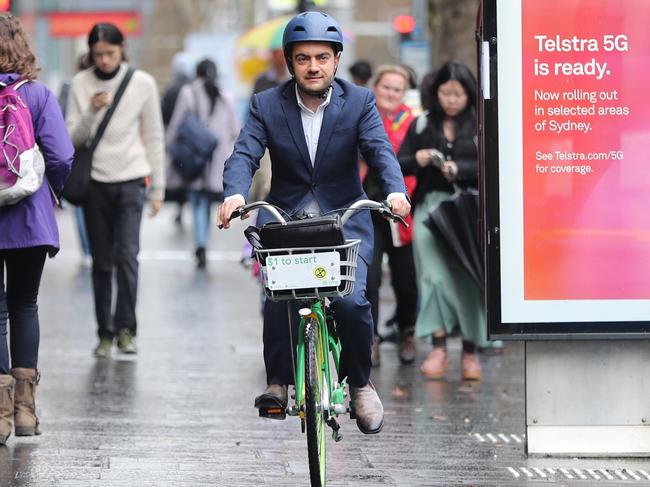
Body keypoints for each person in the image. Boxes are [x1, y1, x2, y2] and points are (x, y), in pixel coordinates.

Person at [218, 11, 410, 435]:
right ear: (290, 62)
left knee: (351, 301)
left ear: (337, 60)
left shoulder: (359, 101)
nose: (313, 66)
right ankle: (278, 383)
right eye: (303, 58)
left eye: (322, 57)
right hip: (288, 219)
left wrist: (395, 192)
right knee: (278, 297)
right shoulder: (267, 103)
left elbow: (380, 151)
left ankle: (360, 383)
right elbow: (245, 153)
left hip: (345, 219)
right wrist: (234, 194)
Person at [65, 23, 165, 358]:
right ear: (90, 54)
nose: (105, 60)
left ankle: (127, 329)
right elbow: (71, 139)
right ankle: (104, 333)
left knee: (127, 256)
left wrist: (158, 189)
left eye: (110, 53)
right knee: (102, 262)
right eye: (98, 55)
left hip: (132, 180)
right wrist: (92, 110)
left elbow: (153, 136)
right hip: (95, 183)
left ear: (123, 48)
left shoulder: (142, 83)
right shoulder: (80, 84)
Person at [0, 13, 74, 443]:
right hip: (30, 217)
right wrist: (51, 192)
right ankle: (26, 412)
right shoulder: (39, 96)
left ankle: (1, 415)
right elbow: (62, 156)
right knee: (25, 303)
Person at [397, 60, 486, 381]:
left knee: (468, 278)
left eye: (458, 93)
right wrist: (419, 159)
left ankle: (471, 352)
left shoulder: (481, 124)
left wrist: (458, 169)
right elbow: (398, 163)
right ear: (436, 93)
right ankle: (438, 347)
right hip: (429, 210)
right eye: (446, 93)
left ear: (469, 94)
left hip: (468, 211)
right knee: (432, 277)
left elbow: (493, 165)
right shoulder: (422, 124)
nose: (451, 99)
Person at [363, 65, 417, 367]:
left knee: (405, 280)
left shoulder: (414, 123)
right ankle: (370, 338)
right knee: (368, 280)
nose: (391, 94)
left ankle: (407, 330)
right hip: (366, 208)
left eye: (398, 89)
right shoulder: (361, 116)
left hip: (401, 212)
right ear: (376, 87)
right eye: (386, 87)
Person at [166, 59, 239, 269]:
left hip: (194, 156)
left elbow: (177, 123)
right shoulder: (226, 96)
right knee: (206, 203)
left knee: (196, 200)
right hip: (216, 159)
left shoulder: (188, 93)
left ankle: (200, 244)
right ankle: (203, 242)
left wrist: (169, 148)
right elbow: (234, 130)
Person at [59, 53, 93, 268]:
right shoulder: (74, 88)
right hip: (79, 151)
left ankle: (88, 250)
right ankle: (89, 249)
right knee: (81, 204)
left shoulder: (67, 87)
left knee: (80, 205)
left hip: (76, 154)